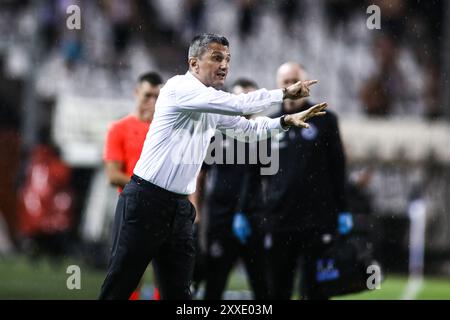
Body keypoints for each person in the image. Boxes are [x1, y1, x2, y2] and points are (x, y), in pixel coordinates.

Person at [99, 33, 327, 300]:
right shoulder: (178, 88)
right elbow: (239, 103)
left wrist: (285, 121)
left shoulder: (210, 102)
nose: (225, 65)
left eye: (228, 59)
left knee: (181, 295)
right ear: (194, 63)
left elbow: (249, 130)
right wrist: (285, 93)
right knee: (120, 287)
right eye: (217, 57)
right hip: (146, 200)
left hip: (179, 207)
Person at [262, 62, 349, 300]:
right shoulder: (270, 123)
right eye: (285, 82)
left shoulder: (325, 119)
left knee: (316, 292)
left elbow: (338, 166)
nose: (291, 86)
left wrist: (343, 210)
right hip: (280, 220)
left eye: (295, 80)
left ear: (306, 85)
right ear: (279, 85)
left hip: (318, 220)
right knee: (278, 291)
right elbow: (255, 173)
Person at [201, 78, 269, 299]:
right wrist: (196, 210)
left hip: (253, 219)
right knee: (215, 282)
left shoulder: (264, 135)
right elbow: (200, 173)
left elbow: (271, 178)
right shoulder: (216, 133)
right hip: (221, 218)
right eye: (242, 97)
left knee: (262, 284)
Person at [103, 72, 163, 300]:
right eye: (148, 95)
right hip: (132, 211)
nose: (153, 102)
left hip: (163, 211)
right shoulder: (119, 128)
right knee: (128, 277)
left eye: (158, 97)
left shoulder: (164, 129)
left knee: (166, 276)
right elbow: (112, 175)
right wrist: (151, 189)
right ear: (136, 93)